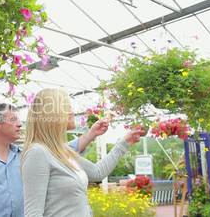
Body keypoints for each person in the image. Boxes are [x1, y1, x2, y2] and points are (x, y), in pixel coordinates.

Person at [0, 103, 109, 217]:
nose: (19, 124)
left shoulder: (27, 155)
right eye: (12, 120)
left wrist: (91, 134)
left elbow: (62, 150)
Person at [21, 88, 144, 217]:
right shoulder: (38, 153)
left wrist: (125, 141)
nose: (72, 112)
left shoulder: (63, 151)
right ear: (52, 113)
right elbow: (33, 213)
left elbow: (98, 172)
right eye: (67, 107)